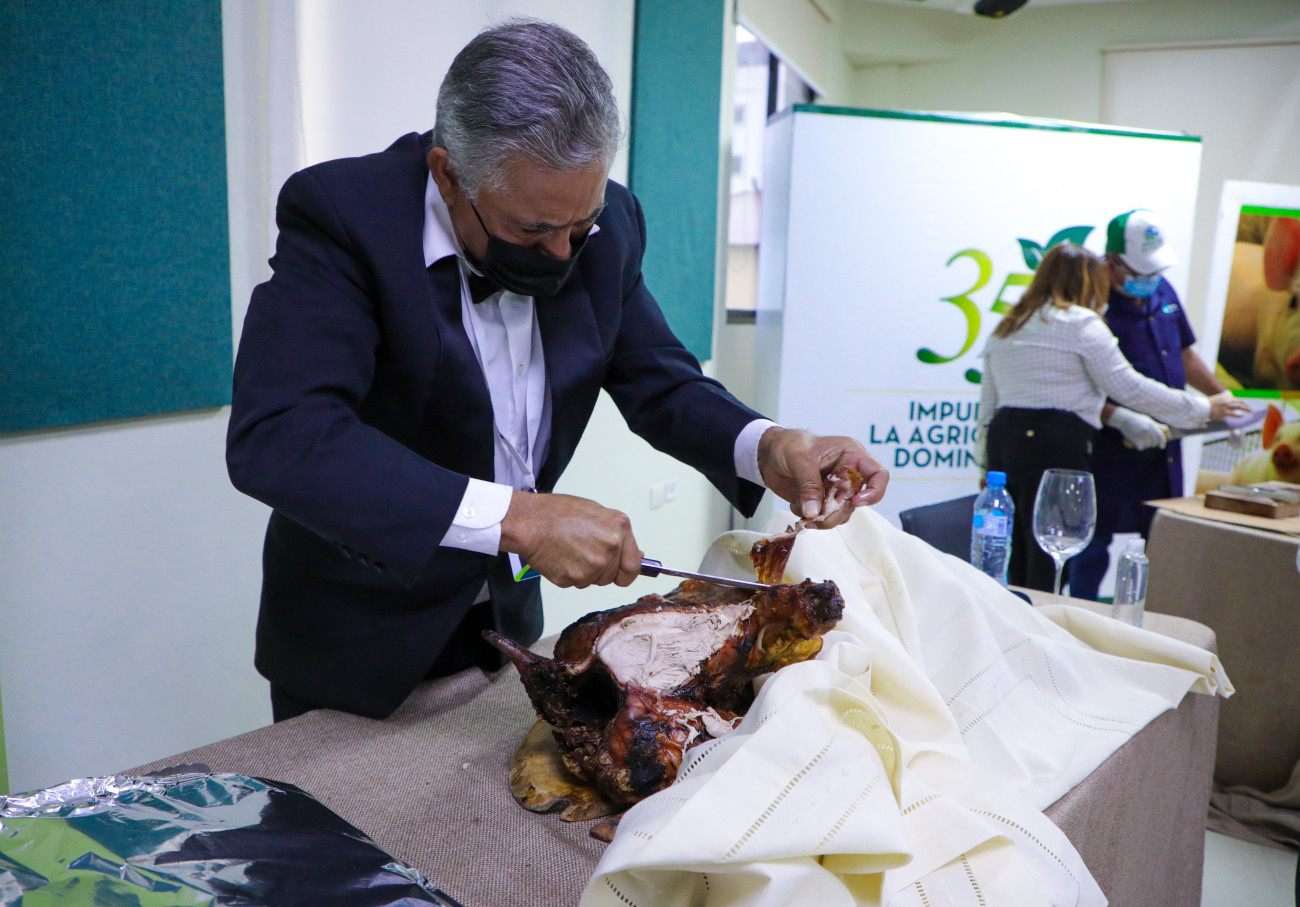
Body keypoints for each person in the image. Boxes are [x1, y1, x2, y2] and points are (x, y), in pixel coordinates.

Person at [226, 20, 888, 722]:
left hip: (508, 628)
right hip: (353, 642)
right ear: (448, 175)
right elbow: (283, 434)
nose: (566, 253)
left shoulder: (611, 223)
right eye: (534, 230)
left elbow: (660, 378)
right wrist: (518, 517)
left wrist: (769, 445)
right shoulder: (344, 215)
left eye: (581, 225)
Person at [976, 243, 1239, 591]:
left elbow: (988, 408)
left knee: (1017, 552)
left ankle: (1016, 617)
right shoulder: (1083, 324)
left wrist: (984, 465)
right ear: (1090, 282)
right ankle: (1047, 621)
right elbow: (1131, 388)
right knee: (1054, 551)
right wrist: (1203, 408)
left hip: (1005, 442)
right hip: (1057, 444)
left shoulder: (1009, 325)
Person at [1067, 210, 1248, 600]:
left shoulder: (1162, 289)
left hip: (1164, 445)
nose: (1150, 280)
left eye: (1155, 271)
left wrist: (1223, 401)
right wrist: (1121, 418)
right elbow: (1076, 383)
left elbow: (1185, 355)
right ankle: (1077, 615)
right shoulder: (1089, 304)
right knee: (1091, 545)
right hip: (1110, 446)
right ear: (1111, 263)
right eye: (1141, 272)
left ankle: (1149, 619)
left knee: (1162, 540)